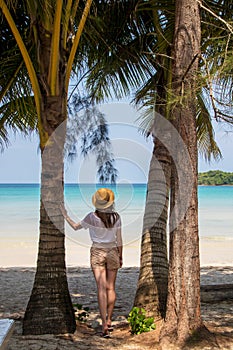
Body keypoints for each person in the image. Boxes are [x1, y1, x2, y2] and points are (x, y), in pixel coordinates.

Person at [60, 188, 123, 338]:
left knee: (101, 288)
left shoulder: (91, 217)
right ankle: (109, 320)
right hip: (113, 251)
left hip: (97, 252)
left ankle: (103, 325)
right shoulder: (116, 217)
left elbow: (75, 227)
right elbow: (119, 239)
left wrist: (65, 215)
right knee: (111, 288)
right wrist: (121, 256)